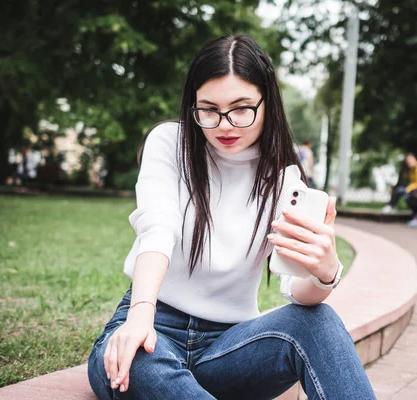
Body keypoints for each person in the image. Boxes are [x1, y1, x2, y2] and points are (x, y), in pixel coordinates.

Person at [87, 35, 375, 400]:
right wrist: (140, 317)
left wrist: (324, 273)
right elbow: (157, 228)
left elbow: (294, 290)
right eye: (207, 109)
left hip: (229, 350)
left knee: (318, 322)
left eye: (241, 108)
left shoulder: (284, 180)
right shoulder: (169, 143)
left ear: (267, 103)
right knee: (138, 361)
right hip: (153, 327)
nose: (224, 125)